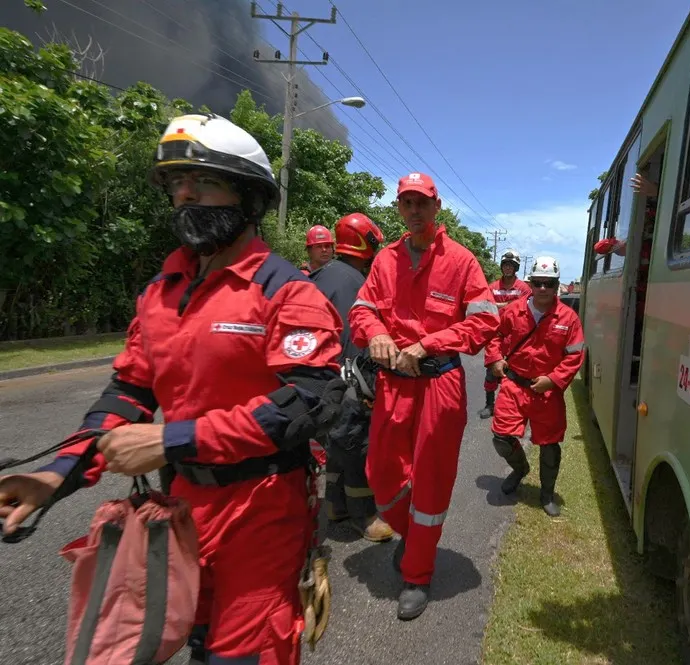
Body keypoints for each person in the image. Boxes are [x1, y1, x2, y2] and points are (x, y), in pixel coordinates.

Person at [0, 113, 348, 665]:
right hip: (180, 505)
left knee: (244, 655)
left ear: (249, 197)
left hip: (261, 511)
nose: (186, 197)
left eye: (203, 182)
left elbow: (309, 403)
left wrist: (170, 440)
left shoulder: (285, 292)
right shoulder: (162, 291)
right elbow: (128, 392)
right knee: (186, 637)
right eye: (176, 184)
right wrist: (55, 475)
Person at [348, 172, 499, 620]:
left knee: (430, 479)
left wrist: (429, 343)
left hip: (440, 383)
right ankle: (411, 536)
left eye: (422, 203)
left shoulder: (462, 261)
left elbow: (485, 322)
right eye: (406, 203)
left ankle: (417, 572)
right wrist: (374, 332)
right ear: (398, 208)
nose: (414, 211)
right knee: (381, 472)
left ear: (436, 208)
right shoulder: (385, 260)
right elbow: (362, 308)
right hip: (393, 383)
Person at [309, 212, 394, 543]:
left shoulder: (323, 275)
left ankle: (335, 506)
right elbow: (355, 340)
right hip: (348, 381)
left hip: (322, 381)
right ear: (367, 243)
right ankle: (365, 516)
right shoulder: (355, 283)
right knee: (358, 447)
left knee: (336, 446)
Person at [485, 256, 585, 517]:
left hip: (547, 392)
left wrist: (553, 379)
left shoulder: (568, 318)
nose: (542, 288)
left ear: (556, 285)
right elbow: (494, 335)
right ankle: (520, 470)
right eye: (538, 283)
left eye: (548, 283)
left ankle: (546, 493)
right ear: (530, 283)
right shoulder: (514, 310)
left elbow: (575, 355)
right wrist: (495, 358)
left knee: (549, 445)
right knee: (501, 439)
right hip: (514, 385)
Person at [478, 249, 531, 419]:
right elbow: (485, 306)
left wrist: (499, 306)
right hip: (494, 335)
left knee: (515, 375)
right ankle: (489, 405)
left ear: (516, 268)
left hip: (517, 337)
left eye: (511, 266)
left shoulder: (523, 288)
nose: (508, 268)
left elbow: (526, 308)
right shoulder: (492, 287)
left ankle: (512, 408)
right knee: (491, 372)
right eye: (505, 265)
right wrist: (510, 304)